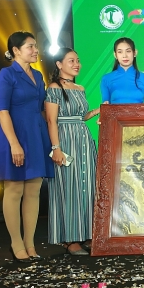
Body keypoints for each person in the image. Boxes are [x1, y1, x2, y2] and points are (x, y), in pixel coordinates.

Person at [0, 31, 55, 263]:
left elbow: (42, 109)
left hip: (36, 136)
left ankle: (30, 243)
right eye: (30, 46)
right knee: (14, 190)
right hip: (14, 137)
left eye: (36, 46)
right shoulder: (6, 75)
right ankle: (16, 243)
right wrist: (15, 144)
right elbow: (2, 112)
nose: (35, 50)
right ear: (16, 50)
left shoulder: (38, 75)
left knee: (33, 191)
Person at [45, 48, 99, 256]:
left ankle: (88, 234)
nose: (76, 64)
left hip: (83, 139)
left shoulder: (80, 88)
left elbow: (81, 116)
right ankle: (69, 239)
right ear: (59, 64)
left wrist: (98, 111)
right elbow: (51, 120)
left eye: (78, 60)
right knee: (68, 188)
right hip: (65, 140)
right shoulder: (54, 88)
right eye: (71, 61)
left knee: (87, 187)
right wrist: (56, 148)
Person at [100, 37, 144, 104]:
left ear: (135, 53)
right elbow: (105, 106)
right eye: (120, 52)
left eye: (128, 51)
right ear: (115, 55)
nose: (124, 56)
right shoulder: (106, 79)